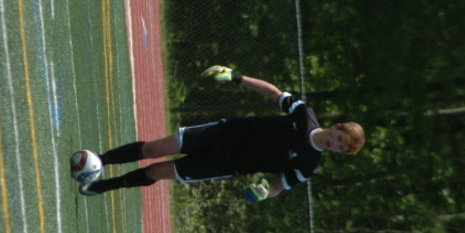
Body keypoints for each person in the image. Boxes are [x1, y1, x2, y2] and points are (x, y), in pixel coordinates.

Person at [76, 66, 365, 202]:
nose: (334, 144)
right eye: (339, 139)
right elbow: (273, 92)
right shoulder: (304, 115)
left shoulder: (308, 164)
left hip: (226, 163)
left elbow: (279, 184)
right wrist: (236, 76)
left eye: (339, 148)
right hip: (223, 133)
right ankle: (100, 160)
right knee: (154, 149)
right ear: (337, 127)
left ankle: (102, 186)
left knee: (157, 171)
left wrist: (264, 192)